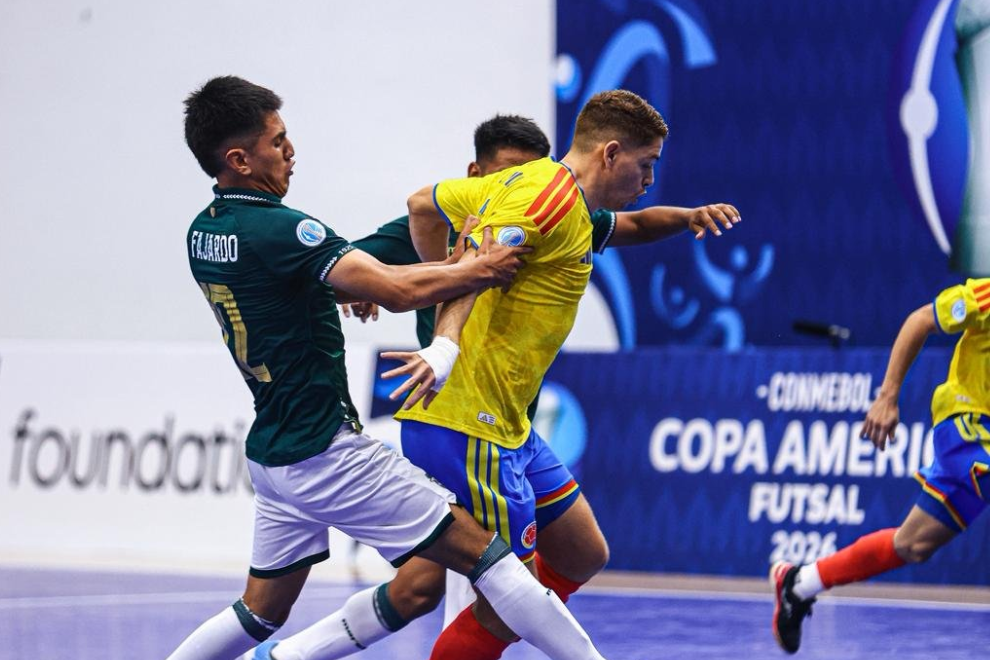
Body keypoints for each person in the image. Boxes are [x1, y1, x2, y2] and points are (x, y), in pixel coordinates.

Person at [166, 75, 610, 660]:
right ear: (239, 159)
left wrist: (390, 273)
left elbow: (338, 279)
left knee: (260, 611)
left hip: (273, 452)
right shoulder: (282, 228)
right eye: (277, 141)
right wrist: (478, 266)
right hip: (327, 451)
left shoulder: (203, 233)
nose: (290, 150)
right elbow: (396, 289)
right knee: (493, 562)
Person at [770, 278, 990, 654]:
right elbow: (921, 320)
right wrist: (887, 397)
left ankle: (800, 582)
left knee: (913, 544)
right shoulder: (986, 296)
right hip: (970, 424)